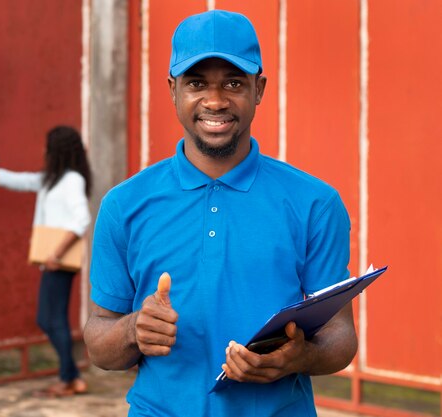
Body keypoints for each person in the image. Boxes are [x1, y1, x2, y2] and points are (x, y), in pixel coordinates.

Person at [83, 10, 357, 417]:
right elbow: (98, 341)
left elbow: (341, 336)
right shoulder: (124, 205)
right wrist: (133, 329)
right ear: (172, 89)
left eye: (233, 82)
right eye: (197, 83)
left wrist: (300, 357)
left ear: (259, 89)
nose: (215, 101)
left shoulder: (315, 203)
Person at [0, 125, 91, 397]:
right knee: (48, 319)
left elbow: (81, 219)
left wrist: (56, 254)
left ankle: (70, 377)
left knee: (52, 319)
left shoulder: (72, 181)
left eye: (47, 146)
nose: (43, 150)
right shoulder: (52, 179)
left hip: (58, 261)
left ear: (57, 150)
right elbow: (17, 180)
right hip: (51, 261)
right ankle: (72, 377)